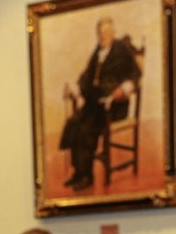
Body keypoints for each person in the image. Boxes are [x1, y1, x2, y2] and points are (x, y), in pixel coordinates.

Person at [58, 18, 142, 192]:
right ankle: (78, 173)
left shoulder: (122, 49)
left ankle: (87, 176)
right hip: (96, 104)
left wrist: (124, 89)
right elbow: (87, 76)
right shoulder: (97, 51)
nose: (103, 36)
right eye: (100, 33)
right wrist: (75, 89)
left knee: (86, 128)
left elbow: (136, 73)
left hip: (114, 106)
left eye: (107, 33)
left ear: (113, 32)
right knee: (75, 122)